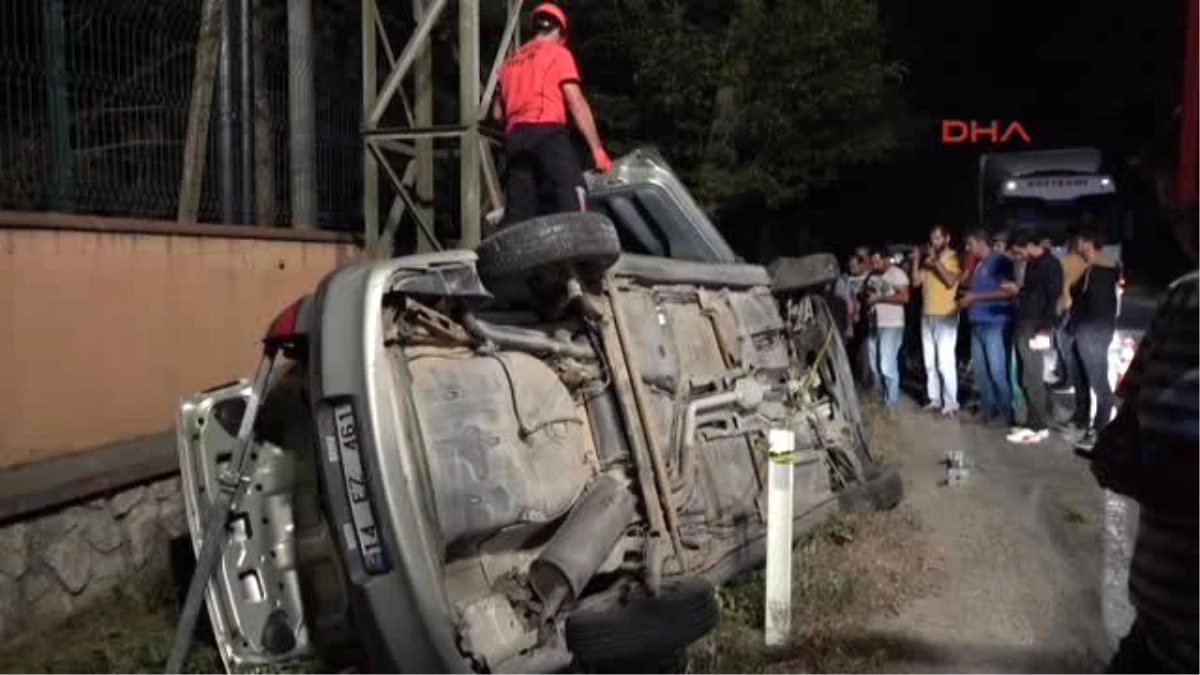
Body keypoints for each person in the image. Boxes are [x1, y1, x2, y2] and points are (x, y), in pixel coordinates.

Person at [1091, 205, 1200, 675]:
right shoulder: (1185, 296)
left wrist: (1146, 475)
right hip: (1160, 629)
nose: (1180, 226)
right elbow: (1127, 421)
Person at [492, 3, 612, 227]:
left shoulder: (507, 64)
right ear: (559, 31)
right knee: (572, 191)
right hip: (547, 132)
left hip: (515, 140)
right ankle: (582, 242)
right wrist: (597, 149)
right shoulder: (558, 53)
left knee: (520, 211)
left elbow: (498, 114)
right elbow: (576, 102)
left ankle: (517, 257)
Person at [1064, 228, 1120, 450]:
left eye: (1078, 241)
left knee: (1098, 382)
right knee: (1082, 377)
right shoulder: (1098, 267)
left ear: (1085, 243)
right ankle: (1082, 420)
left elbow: (1079, 300)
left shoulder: (1098, 268)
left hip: (1093, 331)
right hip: (1086, 330)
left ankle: (1100, 430)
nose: (1075, 245)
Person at [1005, 231, 1062, 444]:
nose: (1017, 256)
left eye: (1017, 251)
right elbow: (1031, 292)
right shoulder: (1033, 263)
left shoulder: (1049, 264)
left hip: (1035, 325)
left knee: (1032, 375)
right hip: (1026, 321)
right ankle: (1033, 421)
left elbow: (1052, 297)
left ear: (1027, 244)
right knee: (1024, 373)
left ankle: (1037, 425)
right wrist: (1018, 291)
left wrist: (1045, 328)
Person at [958, 229, 1018, 425]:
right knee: (982, 373)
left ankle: (1006, 413)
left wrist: (975, 297)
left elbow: (1007, 293)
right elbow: (980, 289)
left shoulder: (1000, 261)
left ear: (981, 242)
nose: (967, 248)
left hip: (996, 323)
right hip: (977, 323)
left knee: (997, 371)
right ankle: (987, 410)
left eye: (970, 244)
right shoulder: (979, 264)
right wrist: (966, 295)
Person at [911, 225, 962, 417]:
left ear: (947, 239)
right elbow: (916, 282)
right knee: (929, 362)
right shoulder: (928, 261)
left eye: (938, 238)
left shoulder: (952, 257)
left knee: (945, 361)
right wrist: (917, 259)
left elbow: (950, 281)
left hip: (946, 315)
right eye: (932, 238)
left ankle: (951, 403)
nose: (934, 242)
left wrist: (935, 262)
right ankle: (935, 399)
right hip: (927, 314)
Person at [864, 250, 910, 407]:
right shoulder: (873, 276)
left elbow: (905, 297)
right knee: (875, 363)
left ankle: (892, 401)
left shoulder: (897, 273)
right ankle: (882, 397)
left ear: (885, 259)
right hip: (875, 322)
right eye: (873, 262)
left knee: (887, 364)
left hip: (893, 324)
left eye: (878, 261)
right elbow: (869, 295)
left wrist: (880, 298)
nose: (875, 265)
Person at [1052, 235, 1089, 391]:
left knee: (1063, 346)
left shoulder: (1062, 262)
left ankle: (1068, 380)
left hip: (1063, 306)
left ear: (1069, 245)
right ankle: (1067, 378)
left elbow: (1056, 286)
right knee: (1068, 346)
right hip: (1075, 308)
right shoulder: (1085, 263)